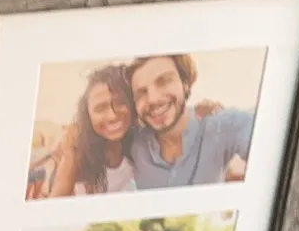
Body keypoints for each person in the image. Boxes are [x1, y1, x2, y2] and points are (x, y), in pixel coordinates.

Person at [127, 54, 254, 188]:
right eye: (141, 93)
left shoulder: (219, 124)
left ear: (185, 83)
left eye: (163, 82)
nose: (152, 99)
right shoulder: (132, 142)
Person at [46, 65, 137, 197]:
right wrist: (68, 157)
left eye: (120, 102)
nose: (112, 115)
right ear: (88, 115)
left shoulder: (138, 141)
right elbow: (55, 202)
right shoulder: (77, 155)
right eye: (100, 108)